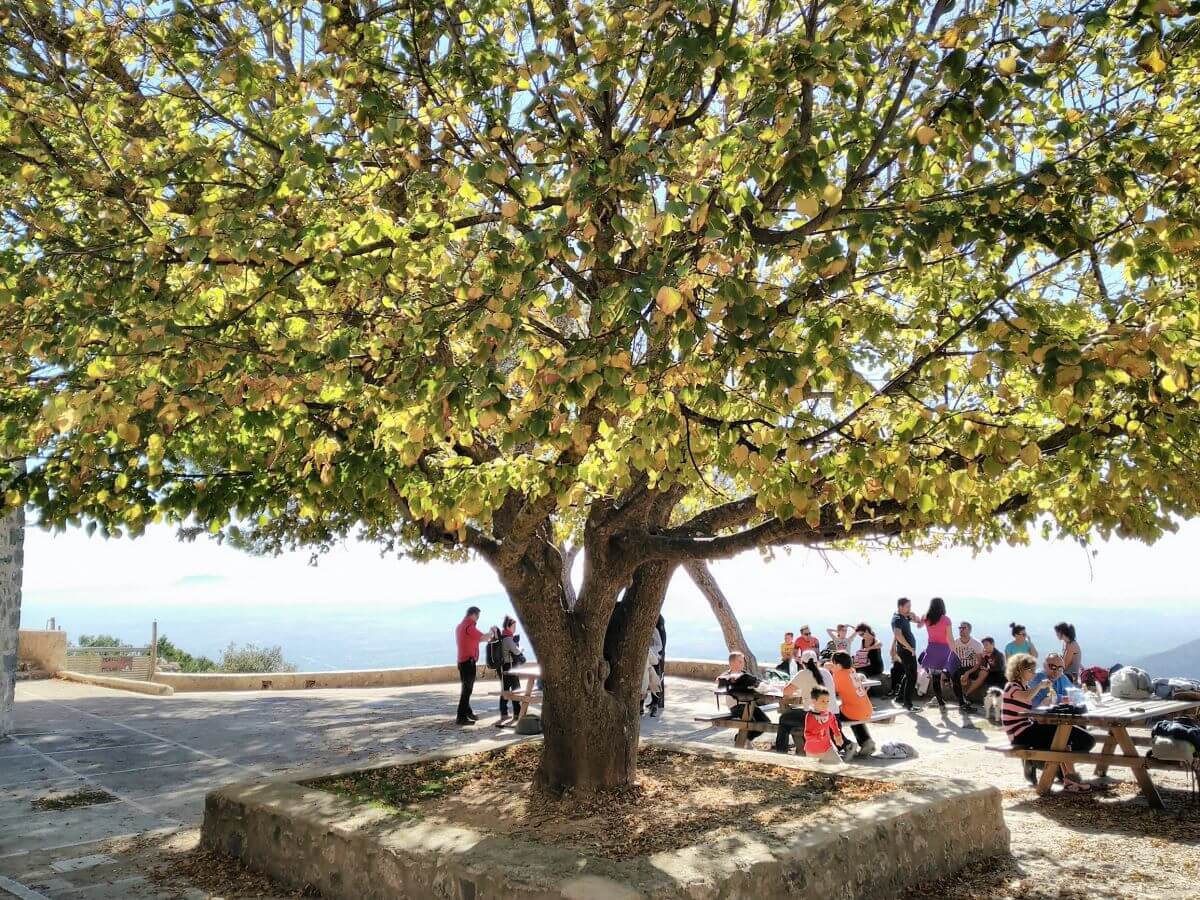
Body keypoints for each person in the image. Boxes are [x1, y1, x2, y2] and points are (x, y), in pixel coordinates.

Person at [1002, 653, 1094, 792]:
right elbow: (1026, 697)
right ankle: (1069, 777)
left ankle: (1070, 779)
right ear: (1019, 670)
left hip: (1028, 729)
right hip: (1020, 733)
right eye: (1031, 670)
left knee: (1062, 739)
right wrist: (1040, 686)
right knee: (1062, 735)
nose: (1034, 673)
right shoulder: (1012, 687)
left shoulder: (1025, 686)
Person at [775, 651, 837, 752]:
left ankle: (781, 751)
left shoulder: (803, 673)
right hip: (829, 714)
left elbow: (786, 691)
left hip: (814, 716)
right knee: (793, 716)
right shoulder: (826, 672)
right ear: (817, 661)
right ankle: (799, 748)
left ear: (802, 663)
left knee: (784, 718)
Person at [716, 651, 770, 745]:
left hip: (750, 704)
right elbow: (718, 681)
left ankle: (744, 738)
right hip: (736, 706)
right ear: (732, 663)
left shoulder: (744, 675)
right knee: (752, 723)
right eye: (740, 661)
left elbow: (757, 683)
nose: (743, 663)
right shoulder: (727, 675)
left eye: (743, 661)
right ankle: (742, 739)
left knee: (765, 723)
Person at [455, 606, 496, 725]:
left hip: (462, 662)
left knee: (466, 689)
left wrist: (486, 637)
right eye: (477, 616)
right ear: (473, 614)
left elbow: (477, 639)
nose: (477, 619)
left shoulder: (460, 626)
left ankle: (468, 712)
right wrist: (492, 632)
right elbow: (483, 637)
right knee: (467, 691)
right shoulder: (469, 626)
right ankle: (461, 717)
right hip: (468, 663)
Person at [917, 597, 958, 711]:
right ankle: (961, 700)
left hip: (932, 649)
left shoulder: (926, 618)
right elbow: (950, 638)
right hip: (944, 650)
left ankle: (941, 703)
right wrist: (954, 652)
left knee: (935, 678)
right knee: (951, 673)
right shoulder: (946, 620)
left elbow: (918, 625)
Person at [831, 652, 875, 757]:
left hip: (853, 712)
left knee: (830, 719)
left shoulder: (838, 675)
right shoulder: (852, 671)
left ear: (838, 665)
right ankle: (866, 741)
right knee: (853, 714)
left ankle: (846, 746)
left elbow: (831, 690)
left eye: (833, 664)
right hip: (867, 710)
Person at [803, 687, 849, 763]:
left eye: (827, 701)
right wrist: (818, 736)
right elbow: (807, 735)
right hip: (813, 751)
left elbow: (833, 722)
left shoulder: (828, 714)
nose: (826, 704)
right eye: (823, 701)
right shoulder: (810, 716)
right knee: (816, 773)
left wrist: (837, 734)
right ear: (814, 701)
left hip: (827, 748)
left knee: (839, 765)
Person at [892, 597, 920, 710]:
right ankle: (907, 704)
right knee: (912, 676)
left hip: (907, 651)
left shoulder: (904, 616)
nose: (909, 608)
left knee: (909, 675)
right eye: (908, 606)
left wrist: (912, 614)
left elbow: (918, 621)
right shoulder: (897, 618)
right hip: (906, 651)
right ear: (900, 607)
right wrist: (910, 648)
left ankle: (899, 697)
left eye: (910, 606)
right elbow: (898, 635)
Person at [496, 616, 524, 726]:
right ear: (508, 626)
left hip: (502, 667)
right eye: (514, 626)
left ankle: (504, 713)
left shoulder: (501, 637)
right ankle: (517, 713)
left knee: (505, 689)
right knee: (515, 689)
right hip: (510, 667)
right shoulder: (508, 639)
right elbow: (516, 652)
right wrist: (521, 648)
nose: (515, 628)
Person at [950, 621, 984, 710]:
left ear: (969, 630)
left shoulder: (976, 644)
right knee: (953, 674)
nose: (961, 630)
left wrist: (968, 673)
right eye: (960, 628)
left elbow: (979, 663)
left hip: (973, 668)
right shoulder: (955, 642)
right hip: (960, 667)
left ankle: (964, 700)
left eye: (964, 628)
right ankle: (962, 703)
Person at [961, 636, 1006, 702]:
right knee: (981, 674)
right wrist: (983, 658)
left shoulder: (999, 654)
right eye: (983, 645)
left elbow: (999, 668)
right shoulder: (985, 653)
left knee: (987, 675)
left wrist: (987, 669)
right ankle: (966, 695)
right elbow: (982, 666)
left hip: (999, 675)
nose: (985, 647)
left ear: (992, 644)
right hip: (991, 674)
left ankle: (967, 694)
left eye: (986, 645)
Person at [649, 614, 667, 715]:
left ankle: (655, 703)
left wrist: (656, 653)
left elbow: (660, 645)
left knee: (654, 680)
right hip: (649, 657)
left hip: (654, 657)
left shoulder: (657, 628)